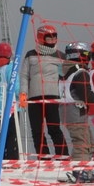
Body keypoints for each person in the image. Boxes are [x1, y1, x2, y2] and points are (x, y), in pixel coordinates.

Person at [23, 25, 68, 157]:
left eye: (55, 37)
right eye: (49, 37)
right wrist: (23, 93)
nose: (53, 40)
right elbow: (24, 75)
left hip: (52, 97)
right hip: (34, 98)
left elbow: (66, 76)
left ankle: (63, 156)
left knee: (54, 128)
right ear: (41, 38)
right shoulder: (31, 55)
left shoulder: (60, 55)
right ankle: (43, 158)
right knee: (37, 130)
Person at [59, 42, 94, 162]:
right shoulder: (80, 72)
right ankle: (80, 170)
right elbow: (85, 94)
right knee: (81, 144)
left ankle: (88, 167)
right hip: (76, 112)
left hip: (66, 111)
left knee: (89, 142)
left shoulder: (64, 71)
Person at [0, 41, 19, 160]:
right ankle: (11, 159)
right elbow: (16, 87)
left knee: (1, 133)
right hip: (11, 107)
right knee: (12, 135)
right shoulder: (11, 67)